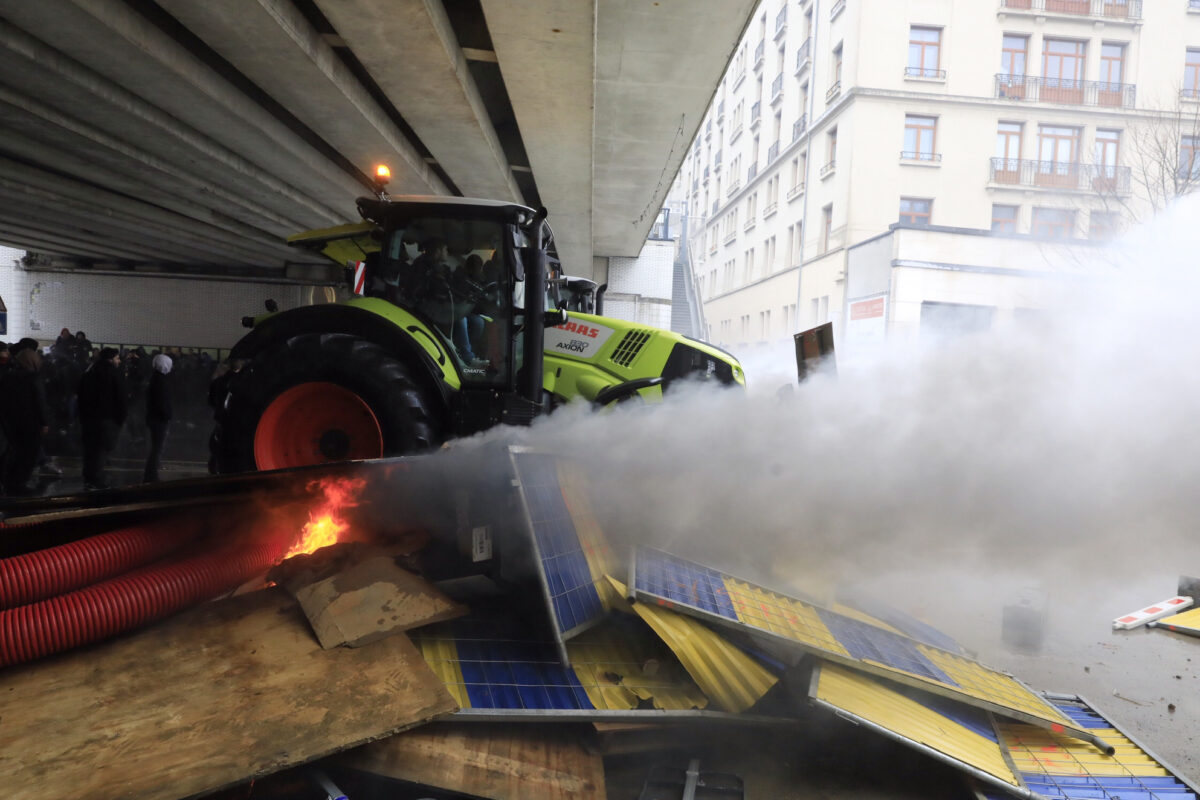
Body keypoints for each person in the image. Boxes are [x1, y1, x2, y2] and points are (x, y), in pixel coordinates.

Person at [0, 347, 50, 495]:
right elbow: (40, 402)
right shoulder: (32, 377)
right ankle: (18, 484)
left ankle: (9, 482)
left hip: (11, 422)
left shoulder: (8, 376)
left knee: (16, 452)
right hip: (30, 422)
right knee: (29, 454)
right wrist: (45, 422)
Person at [77, 347, 126, 490]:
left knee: (90, 449)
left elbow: (81, 395)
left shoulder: (89, 372)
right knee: (101, 450)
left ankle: (88, 477)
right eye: (117, 358)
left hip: (88, 418)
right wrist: (120, 419)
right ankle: (96, 480)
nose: (119, 361)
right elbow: (120, 398)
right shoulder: (114, 374)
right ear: (110, 359)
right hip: (106, 418)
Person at [143, 354, 173, 482]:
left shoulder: (154, 378)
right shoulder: (161, 381)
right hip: (159, 419)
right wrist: (167, 416)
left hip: (153, 417)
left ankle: (151, 472)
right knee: (157, 448)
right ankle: (151, 474)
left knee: (156, 447)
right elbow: (162, 402)